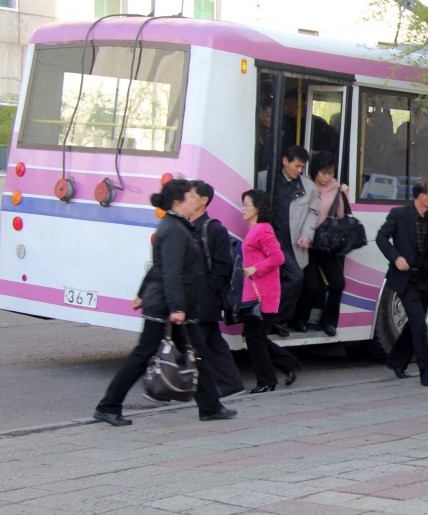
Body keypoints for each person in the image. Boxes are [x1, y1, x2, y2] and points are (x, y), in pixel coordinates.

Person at [93, 179, 237, 426]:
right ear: (178, 202)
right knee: (143, 354)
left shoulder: (180, 226)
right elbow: (169, 271)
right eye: (191, 196)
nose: (196, 200)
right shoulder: (173, 229)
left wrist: (145, 293)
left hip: (179, 306)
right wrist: (176, 307)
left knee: (198, 352)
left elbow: (160, 267)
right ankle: (109, 405)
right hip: (166, 307)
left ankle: (210, 406)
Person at [376, 178, 428, 387]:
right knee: (419, 324)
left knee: (414, 325)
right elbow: (381, 238)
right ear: (421, 196)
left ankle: (397, 361)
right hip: (405, 280)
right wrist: (395, 257)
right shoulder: (399, 215)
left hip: (424, 278)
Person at [240, 189, 300, 393]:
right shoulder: (255, 229)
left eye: (246, 204)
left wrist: (254, 269)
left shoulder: (262, 230)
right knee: (255, 336)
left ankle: (266, 381)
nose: (243, 208)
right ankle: (288, 363)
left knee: (254, 337)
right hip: (255, 292)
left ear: (258, 208)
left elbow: (278, 257)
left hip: (263, 294)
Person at [191, 179, 245, 398]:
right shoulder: (187, 226)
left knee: (193, 345)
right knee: (213, 344)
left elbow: (223, 267)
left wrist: (206, 292)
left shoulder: (214, 229)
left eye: (191, 196)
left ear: (204, 201)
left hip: (204, 300)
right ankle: (232, 386)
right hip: (196, 298)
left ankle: (169, 387)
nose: (186, 200)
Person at [292, 152, 350, 337]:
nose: (327, 177)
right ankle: (299, 320)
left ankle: (329, 322)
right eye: (324, 173)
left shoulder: (337, 189)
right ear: (315, 170)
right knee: (312, 285)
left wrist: (344, 196)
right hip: (305, 243)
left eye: (331, 173)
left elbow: (341, 216)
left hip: (325, 245)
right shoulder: (304, 184)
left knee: (338, 283)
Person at [269, 145, 319, 333]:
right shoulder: (267, 179)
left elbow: (313, 213)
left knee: (296, 277)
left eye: (302, 168)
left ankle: (276, 319)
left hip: (292, 243)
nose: (299, 171)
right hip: (271, 241)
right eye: (296, 166)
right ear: (284, 161)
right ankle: (272, 319)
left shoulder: (308, 187)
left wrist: (307, 235)